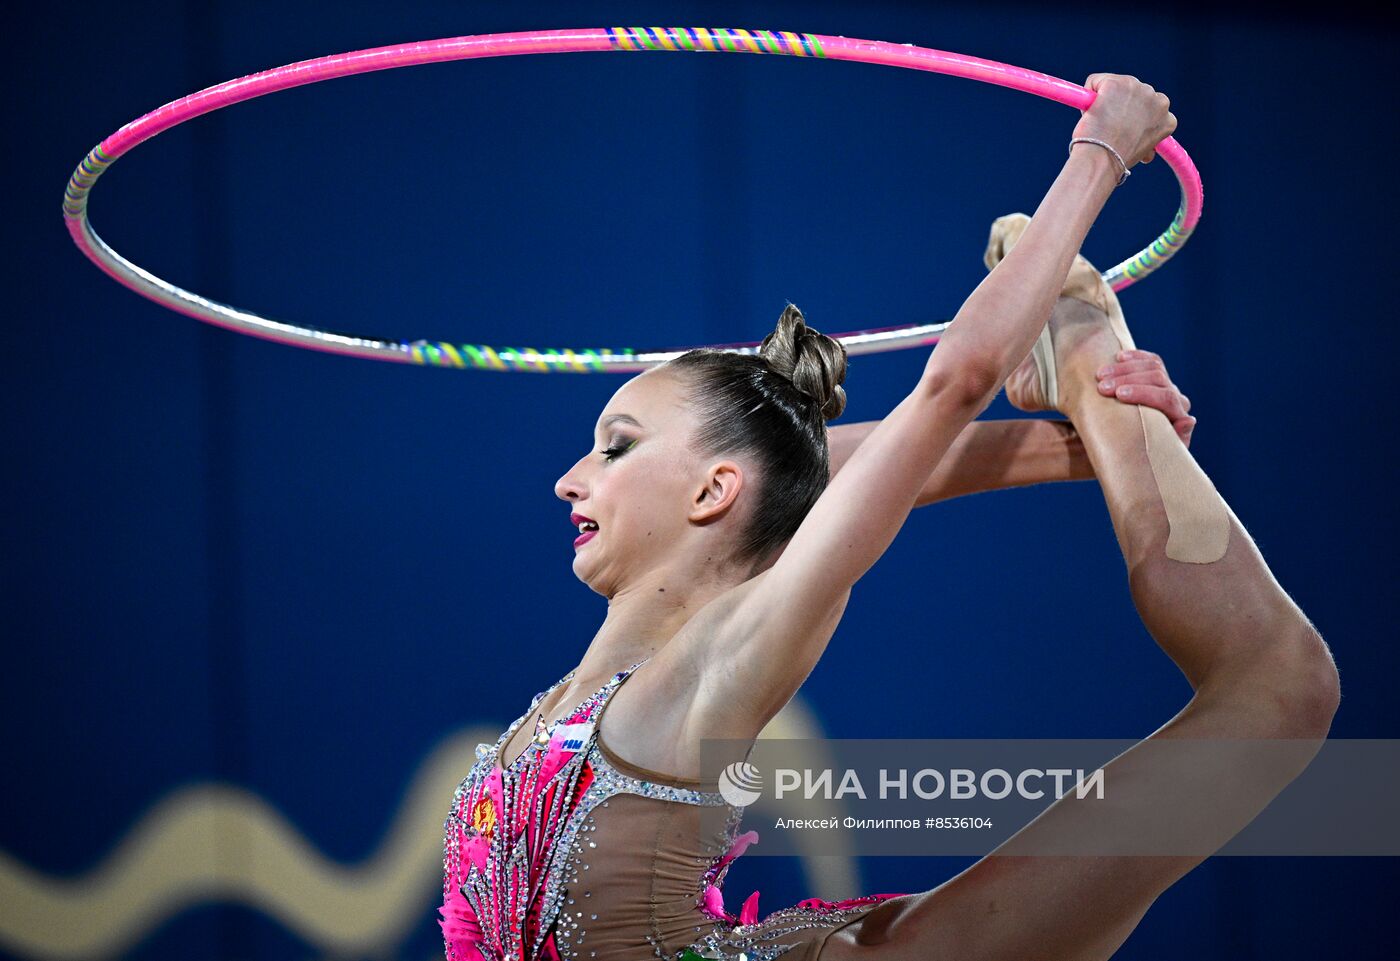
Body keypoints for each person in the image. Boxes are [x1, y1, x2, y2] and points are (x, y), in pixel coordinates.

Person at [440, 73, 1338, 961]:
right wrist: (1078, 441)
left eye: (614, 444)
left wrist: (1101, 154)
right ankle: (1097, 394)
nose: (567, 478)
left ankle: (1083, 344)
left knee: (1282, 687)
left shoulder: (727, 650)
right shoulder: (560, 708)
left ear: (711, 493)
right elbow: (793, 471)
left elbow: (947, 388)